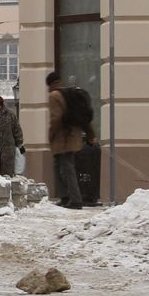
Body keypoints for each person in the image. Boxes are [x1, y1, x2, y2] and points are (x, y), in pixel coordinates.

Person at [47, 71, 96, 209]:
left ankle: (74, 199)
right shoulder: (68, 94)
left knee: (66, 167)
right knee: (61, 166)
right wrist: (90, 135)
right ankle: (66, 197)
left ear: (50, 84)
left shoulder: (54, 96)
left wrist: (51, 136)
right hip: (74, 135)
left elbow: (56, 119)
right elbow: (84, 118)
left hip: (63, 137)